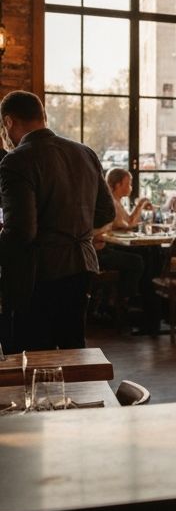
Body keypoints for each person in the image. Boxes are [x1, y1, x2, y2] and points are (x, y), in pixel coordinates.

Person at [0, 90, 115, 350]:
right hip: (82, 267)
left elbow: (21, 232)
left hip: (38, 274)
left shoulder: (16, 160)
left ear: (8, 122)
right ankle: (76, 392)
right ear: (44, 117)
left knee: (30, 353)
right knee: (72, 348)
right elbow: (106, 212)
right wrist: (78, 229)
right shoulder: (84, 152)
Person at [92, 169, 154, 324]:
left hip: (105, 247)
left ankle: (125, 301)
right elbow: (129, 225)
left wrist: (139, 206)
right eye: (129, 183)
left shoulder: (115, 201)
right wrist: (141, 204)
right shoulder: (112, 203)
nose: (131, 187)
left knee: (143, 256)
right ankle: (123, 301)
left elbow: (127, 223)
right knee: (138, 261)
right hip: (99, 251)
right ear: (118, 184)